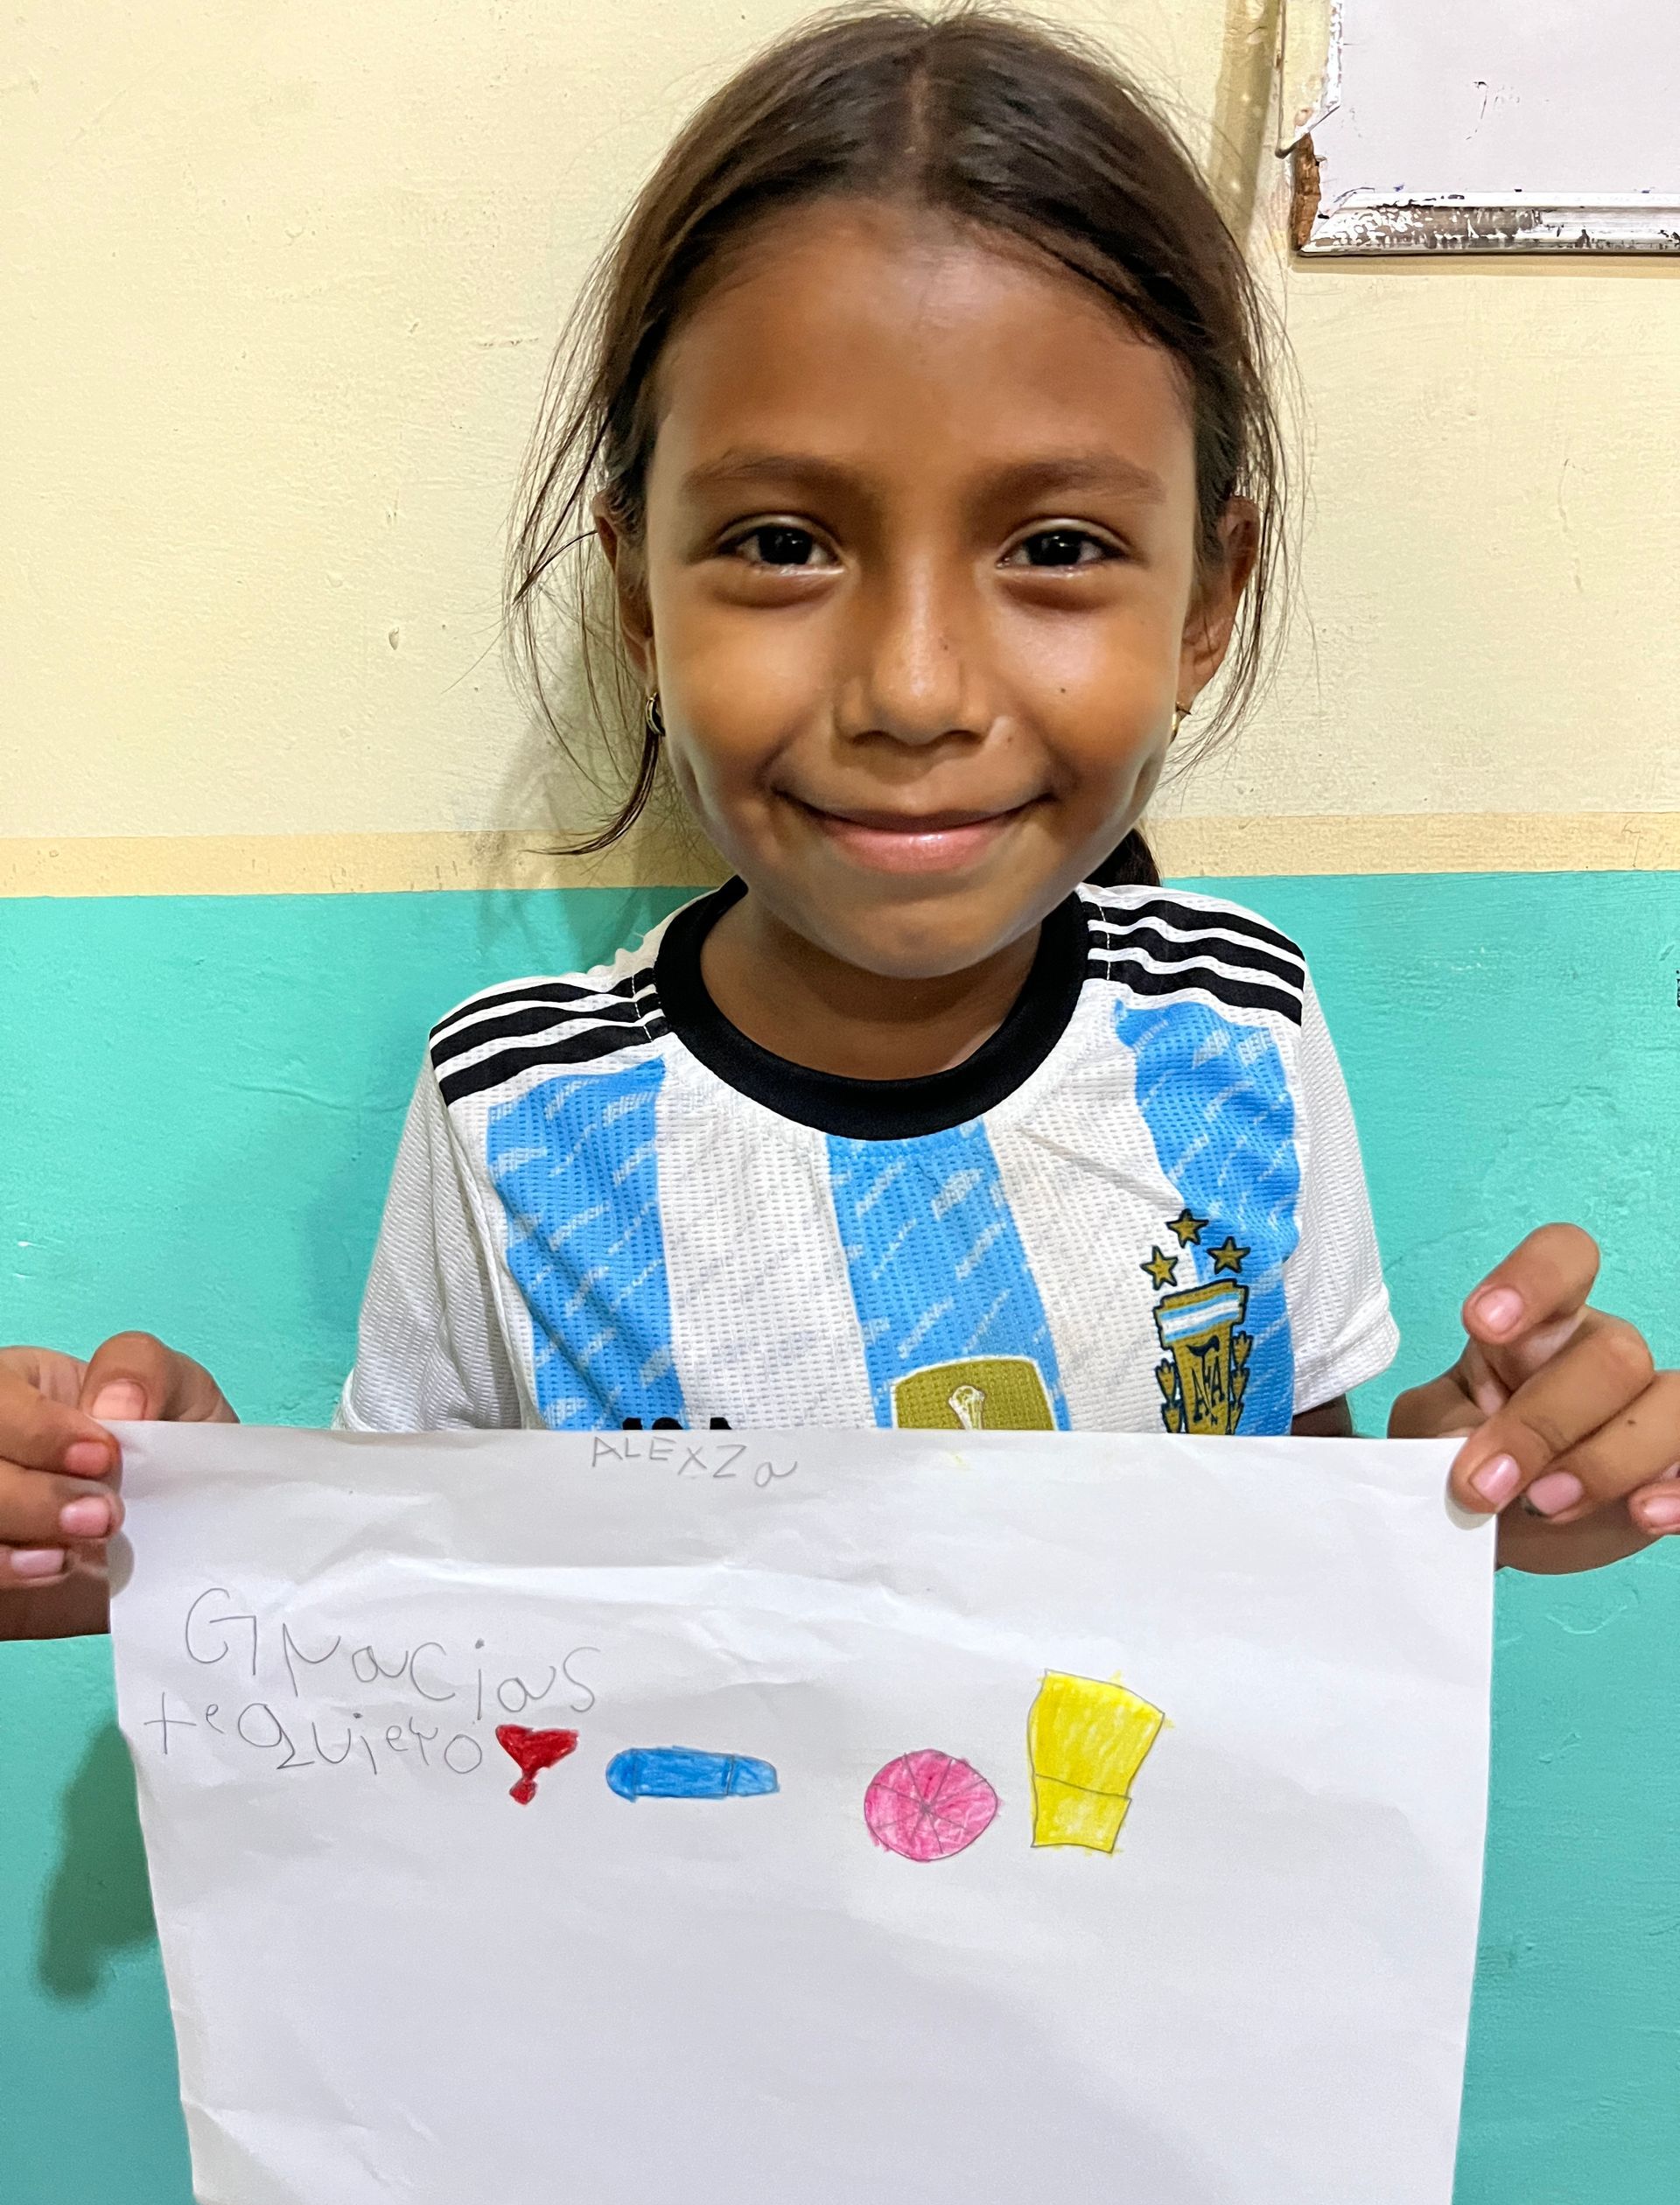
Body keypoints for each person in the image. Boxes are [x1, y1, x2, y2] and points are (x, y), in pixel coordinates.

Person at [4, 7, 1676, 1643]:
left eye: (1060, 547)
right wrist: (172, 1544)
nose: (916, 690)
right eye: (783, 544)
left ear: (1205, 600)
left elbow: (1279, 1528)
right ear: (639, 597)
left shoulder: (1239, 1023)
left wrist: (1459, 1489)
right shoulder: (515, 1116)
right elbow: (436, 1619)